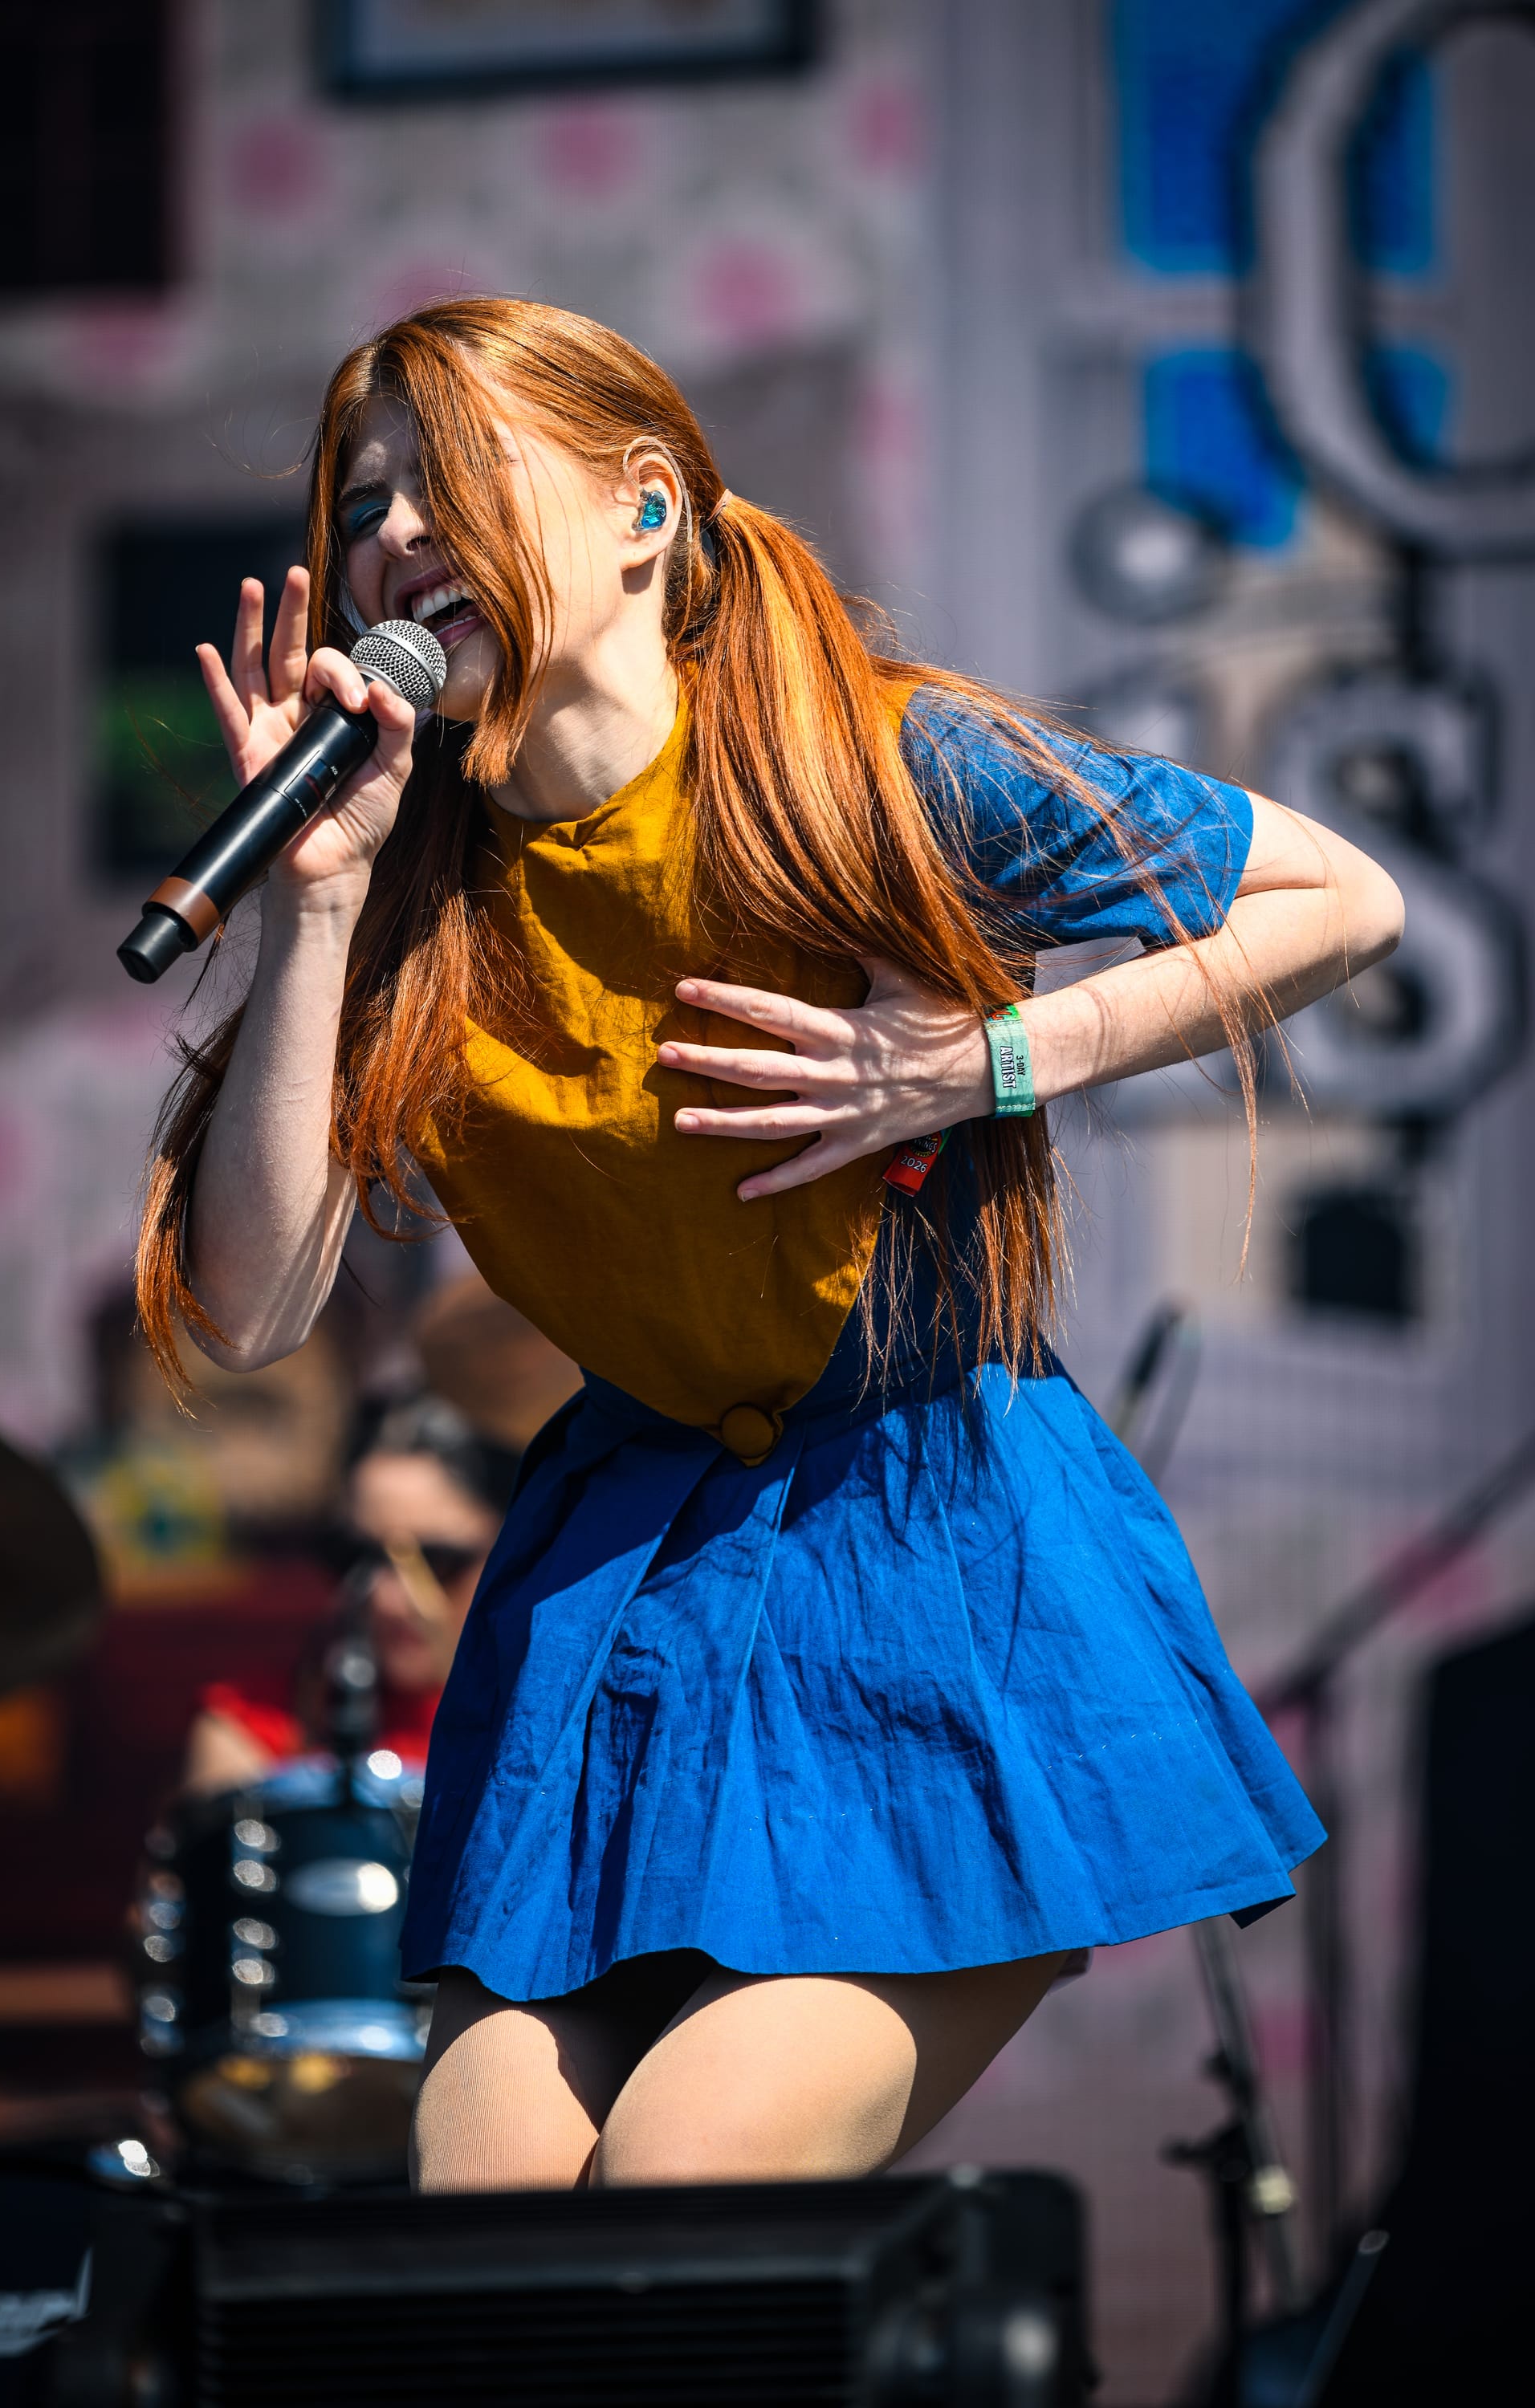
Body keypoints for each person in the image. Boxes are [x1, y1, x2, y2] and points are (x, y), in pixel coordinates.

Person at [134, 299, 1404, 2193]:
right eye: (367, 499)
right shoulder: (399, 881)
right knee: (484, 2223)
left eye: (449, 480)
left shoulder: (861, 767)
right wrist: (312, 909)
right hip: (621, 1584)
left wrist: (986, 1058)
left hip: (923, 1544)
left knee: (679, 2190)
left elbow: (1337, 895)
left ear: (644, 511)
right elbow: (250, 1311)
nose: (396, 533)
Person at [181, 1393, 503, 1792]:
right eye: (358, 1558)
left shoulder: (555, 1728)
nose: (387, 1599)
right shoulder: (255, 1732)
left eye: (438, 1563)